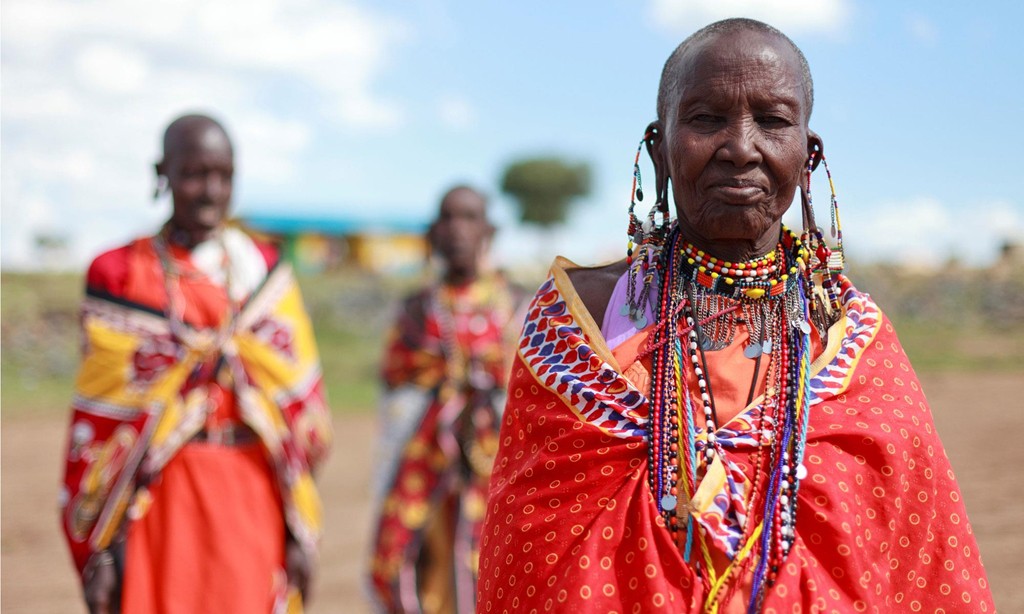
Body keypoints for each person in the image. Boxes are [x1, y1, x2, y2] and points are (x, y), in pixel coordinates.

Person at [477, 19, 995, 613]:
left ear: (809, 154)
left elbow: (920, 562)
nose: (741, 148)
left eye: (773, 121)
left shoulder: (852, 335)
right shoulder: (579, 323)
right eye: (705, 119)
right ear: (658, 149)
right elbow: (528, 564)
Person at [58, 113, 333, 613]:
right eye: (193, 173)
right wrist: (101, 549)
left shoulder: (264, 274)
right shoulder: (120, 274)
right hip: (163, 506)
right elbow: (100, 426)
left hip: (253, 497)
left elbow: (299, 414)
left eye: (224, 175)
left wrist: (299, 530)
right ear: (161, 174)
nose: (211, 191)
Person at [368, 186, 528, 613]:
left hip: (500, 481)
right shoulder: (416, 311)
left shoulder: (519, 308)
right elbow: (395, 395)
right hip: (425, 480)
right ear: (433, 232)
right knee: (415, 571)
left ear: (488, 230)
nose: (458, 229)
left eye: (470, 217)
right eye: (448, 218)